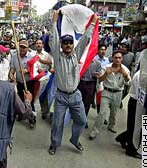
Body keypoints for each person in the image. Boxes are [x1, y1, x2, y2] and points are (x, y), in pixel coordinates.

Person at [47, 10, 98, 155]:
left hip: (76, 96)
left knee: (82, 120)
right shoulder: (57, 56)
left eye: (70, 43)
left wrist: (93, 22)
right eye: (65, 43)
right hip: (61, 97)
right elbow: (54, 38)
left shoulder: (76, 54)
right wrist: (54, 21)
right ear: (61, 45)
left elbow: (86, 38)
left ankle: (74, 140)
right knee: (57, 123)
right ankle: (54, 144)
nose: (68, 45)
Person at [89, 50, 131, 139]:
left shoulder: (125, 69)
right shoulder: (106, 67)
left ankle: (111, 126)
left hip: (118, 93)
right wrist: (106, 73)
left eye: (119, 58)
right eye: (115, 57)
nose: (117, 59)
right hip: (106, 92)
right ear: (112, 58)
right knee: (102, 113)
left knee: (114, 112)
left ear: (122, 59)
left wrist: (125, 75)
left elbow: (128, 82)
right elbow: (100, 80)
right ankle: (94, 132)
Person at [9, 39, 36, 128]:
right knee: (20, 99)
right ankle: (21, 114)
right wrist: (11, 74)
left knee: (29, 100)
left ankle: (32, 118)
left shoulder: (31, 57)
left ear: (27, 48)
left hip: (29, 82)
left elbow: (35, 70)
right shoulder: (14, 57)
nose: (22, 49)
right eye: (21, 46)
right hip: (19, 82)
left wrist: (26, 70)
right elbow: (12, 69)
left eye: (24, 47)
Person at [115, 71, 142, 159]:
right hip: (137, 103)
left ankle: (122, 138)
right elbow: (140, 93)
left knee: (135, 127)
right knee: (137, 128)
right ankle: (131, 150)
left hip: (140, 103)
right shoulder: (140, 75)